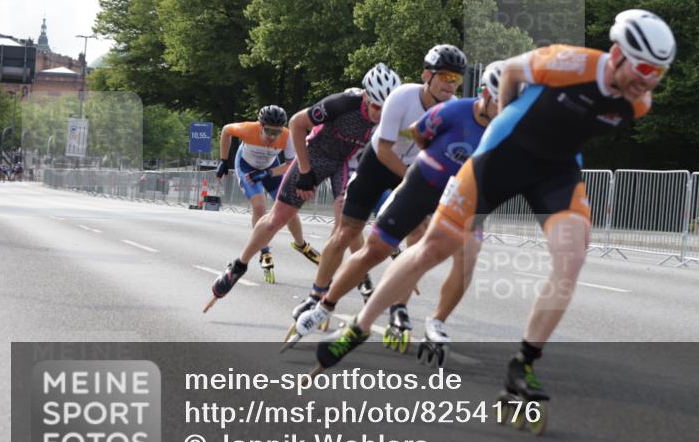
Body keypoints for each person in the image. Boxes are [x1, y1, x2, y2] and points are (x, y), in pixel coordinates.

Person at [314, 10, 675, 422]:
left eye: (659, 73)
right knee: (434, 248)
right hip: (500, 159)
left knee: (572, 256)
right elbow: (513, 73)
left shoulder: (638, 103)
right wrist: (507, 122)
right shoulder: (571, 62)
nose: (649, 81)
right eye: (644, 68)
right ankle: (359, 327)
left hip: (555, 173)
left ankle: (523, 364)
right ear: (617, 53)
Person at [288, 62, 503, 357]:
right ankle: (318, 297)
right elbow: (387, 148)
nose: (450, 83)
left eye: (455, 78)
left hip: (413, 170)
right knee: (346, 233)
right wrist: (415, 178)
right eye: (445, 76)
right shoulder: (404, 97)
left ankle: (399, 308)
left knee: (419, 236)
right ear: (427, 76)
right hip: (379, 164)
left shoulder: (460, 109)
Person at [204, 64, 399, 311]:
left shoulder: (394, 114)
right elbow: (296, 123)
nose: (380, 114)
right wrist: (305, 172)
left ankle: (348, 283)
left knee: (346, 225)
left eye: (386, 108)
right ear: (366, 96)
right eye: (376, 107)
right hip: (316, 155)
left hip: (347, 162)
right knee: (278, 217)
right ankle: (238, 265)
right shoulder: (343, 103)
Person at [216, 105, 315, 283]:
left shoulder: (287, 136)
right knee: (259, 205)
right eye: (269, 131)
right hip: (246, 167)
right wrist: (223, 160)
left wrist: (268, 173)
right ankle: (264, 251)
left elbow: (291, 165)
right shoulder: (248, 129)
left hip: (270, 168)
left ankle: (301, 244)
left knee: (289, 206)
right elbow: (226, 130)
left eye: (277, 132)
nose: (272, 136)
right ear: (260, 126)